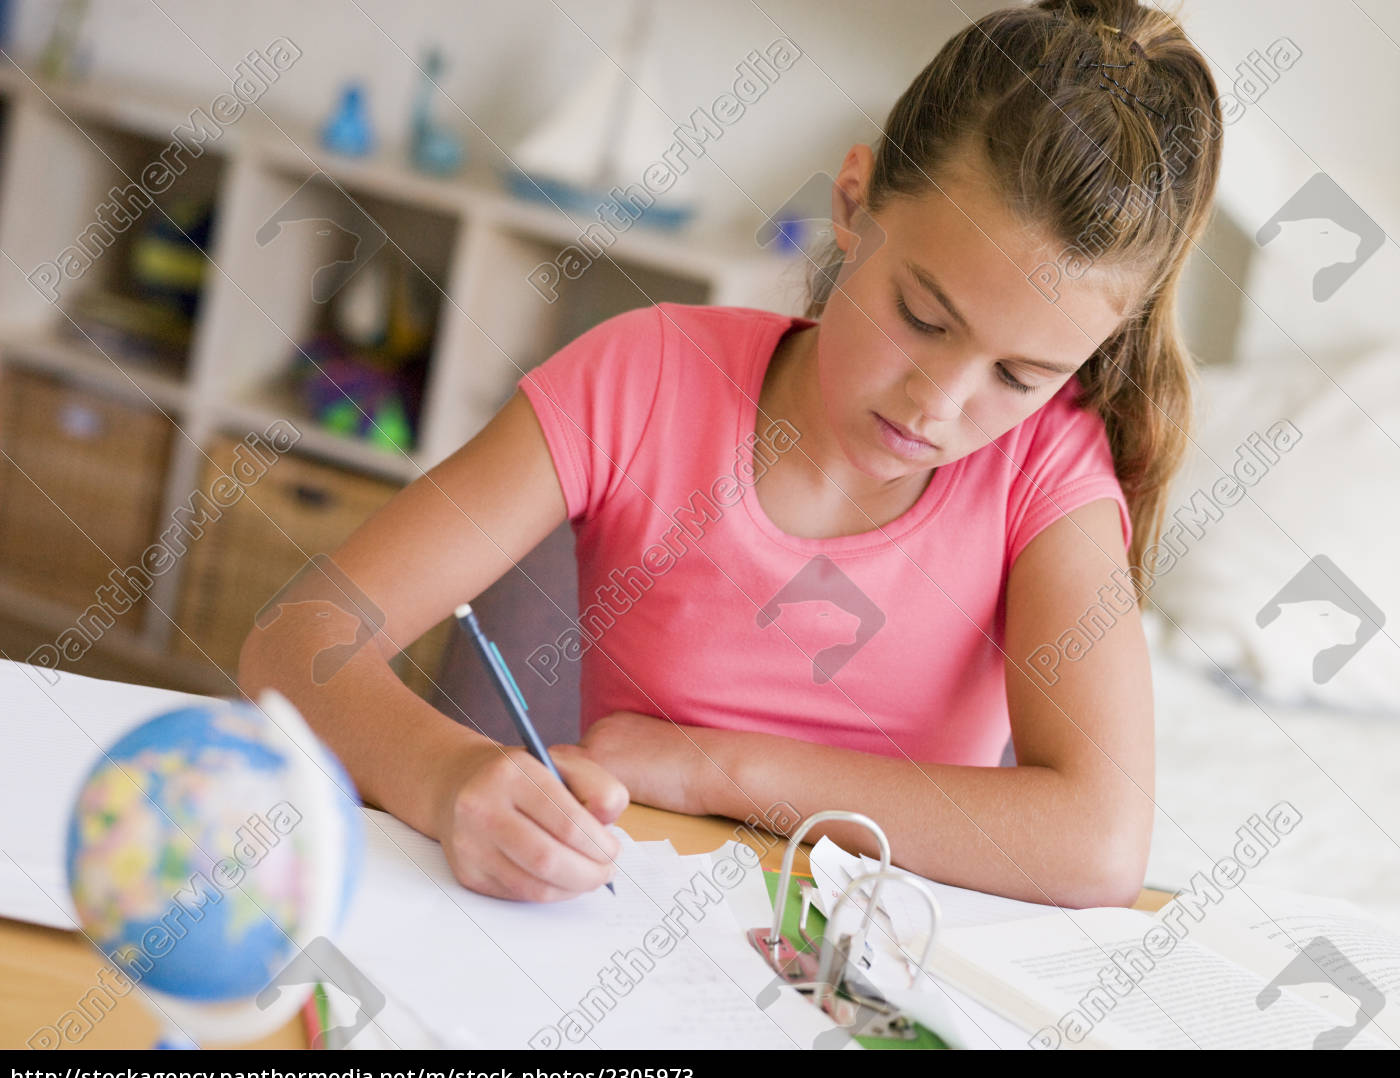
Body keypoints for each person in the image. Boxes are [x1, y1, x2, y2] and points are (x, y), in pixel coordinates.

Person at [239, 0, 1224, 908]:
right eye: (921, 316)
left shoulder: (1048, 473)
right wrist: (450, 775)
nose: (939, 401)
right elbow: (295, 641)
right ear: (852, 201)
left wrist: (717, 767)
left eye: (1018, 375)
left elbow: (1098, 842)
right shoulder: (647, 376)